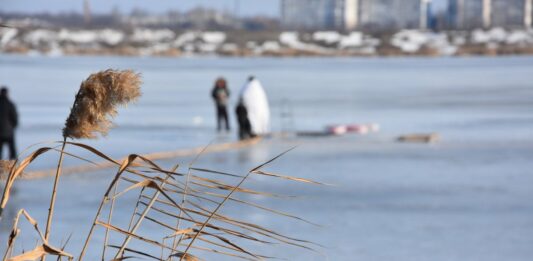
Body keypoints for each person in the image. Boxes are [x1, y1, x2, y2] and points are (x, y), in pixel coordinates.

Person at [0, 87, 18, 160]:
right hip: (9, 131)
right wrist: (13, 126)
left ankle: (1, 167)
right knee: (12, 152)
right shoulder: (10, 104)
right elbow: (15, 118)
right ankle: (12, 167)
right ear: (7, 94)